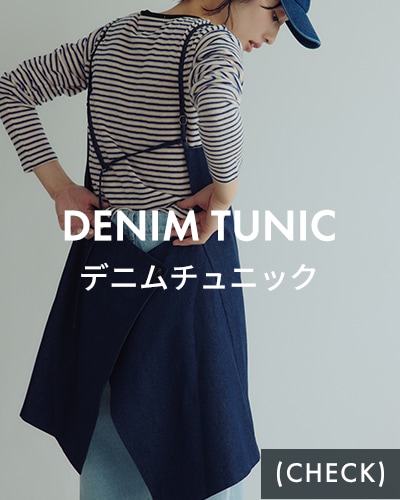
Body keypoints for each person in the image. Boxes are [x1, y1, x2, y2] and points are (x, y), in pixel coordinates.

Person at [0, 0, 320, 498]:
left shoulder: (109, 39)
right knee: (205, 429)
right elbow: (218, 109)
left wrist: (60, 188)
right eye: (274, 15)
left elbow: (12, 88)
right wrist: (223, 197)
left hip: (106, 252)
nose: (272, 36)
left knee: (109, 423)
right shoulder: (213, 45)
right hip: (182, 250)